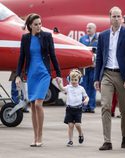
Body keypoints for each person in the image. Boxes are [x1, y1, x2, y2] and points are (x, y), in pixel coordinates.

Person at [94, 6, 125, 150]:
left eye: (119, 16)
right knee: (105, 106)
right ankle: (107, 141)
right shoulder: (103, 35)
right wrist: (96, 78)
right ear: (110, 18)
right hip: (106, 74)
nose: (117, 19)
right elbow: (99, 58)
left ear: (122, 18)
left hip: (122, 75)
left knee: (124, 109)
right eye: (114, 16)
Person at [15, 13, 61, 147]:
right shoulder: (25, 38)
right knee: (33, 107)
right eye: (36, 24)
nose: (39, 26)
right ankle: (35, 137)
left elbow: (53, 55)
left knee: (38, 105)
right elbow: (21, 58)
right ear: (30, 26)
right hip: (32, 75)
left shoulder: (47, 36)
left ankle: (40, 136)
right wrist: (18, 75)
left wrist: (58, 74)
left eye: (40, 24)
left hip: (44, 74)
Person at [57, 69, 89, 147]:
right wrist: (59, 83)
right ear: (69, 79)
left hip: (78, 109)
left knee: (77, 124)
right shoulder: (68, 87)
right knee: (70, 125)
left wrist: (86, 100)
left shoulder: (81, 88)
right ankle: (70, 141)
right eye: (72, 80)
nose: (74, 81)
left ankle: (80, 134)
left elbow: (86, 97)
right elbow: (62, 89)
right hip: (69, 109)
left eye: (75, 80)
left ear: (79, 80)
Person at [79, 23, 98, 113]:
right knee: (84, 87)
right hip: (84, 68)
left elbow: (102, 52)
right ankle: (84, 106)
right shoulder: (82, 39)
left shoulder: (99, 39)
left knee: (92, 87)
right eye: (87, 28)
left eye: (90, 28)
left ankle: (91, 106)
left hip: (94, 67)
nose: (88, 29)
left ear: (94, 29)